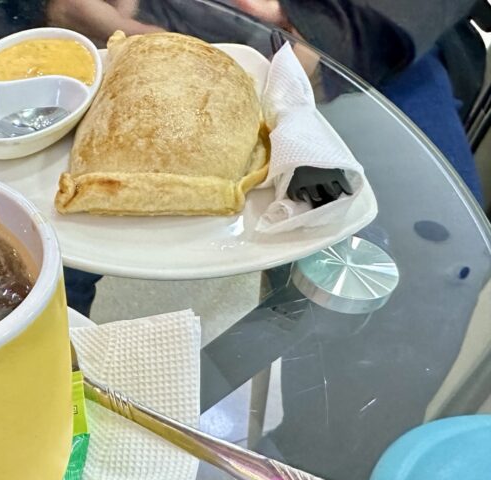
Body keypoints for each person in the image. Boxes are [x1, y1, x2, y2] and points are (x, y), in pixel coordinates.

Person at [45, 0, 486, 316]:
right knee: (36, 245)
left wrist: (328, 37)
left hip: (362, 27)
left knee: (437, 265)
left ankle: (301, 442)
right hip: (149, 18)